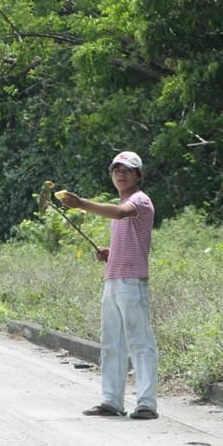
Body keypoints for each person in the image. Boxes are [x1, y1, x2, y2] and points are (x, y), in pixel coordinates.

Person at [57, 151, 158, 419]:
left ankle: (147, 403)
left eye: (127, 169)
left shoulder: (139, 201)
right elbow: (128, 238)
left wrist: (80, 203)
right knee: (112, 343)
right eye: (116, 169)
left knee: (140, 342)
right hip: (113, 281)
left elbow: (120, 213)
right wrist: (110, 253)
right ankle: (111, 401)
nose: (120, 174)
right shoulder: (122, 204)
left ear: (139, 175)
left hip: (132, 282)